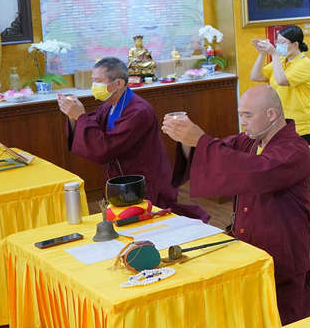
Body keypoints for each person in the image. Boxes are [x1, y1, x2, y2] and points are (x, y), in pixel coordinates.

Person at [163, 86, 310, 324]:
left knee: (286, 317)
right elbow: (219, 152)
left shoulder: (295, 150)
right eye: (241, 115)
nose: (243, 122)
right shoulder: (249, 141)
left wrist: (200, 140)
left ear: (271, 114)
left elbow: (255, 172)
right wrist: (188, 141)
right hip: (249, 242)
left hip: (281, 248)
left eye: (248, 115)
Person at [58, 57, 208, 221]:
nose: (94, 86)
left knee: (151, 223)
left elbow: (105, 148)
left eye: (99, 81)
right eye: (93, 81)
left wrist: (80, 116)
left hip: (144, 181)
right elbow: (91, 127)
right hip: (121, 178)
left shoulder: (138, 111)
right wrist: (73, 116)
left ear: (119, 83)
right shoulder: (109, 105)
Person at [249, 26, 310, 146]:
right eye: (277, 42)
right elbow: (255, 76)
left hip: (301, 124)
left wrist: (274, 54)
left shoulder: (305, 63)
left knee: (302, 157)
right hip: (279, 122)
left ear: (295, 44)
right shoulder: (281, 61)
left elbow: (281, 81)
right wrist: (262, 54)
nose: (278, 45)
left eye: (283, 42)